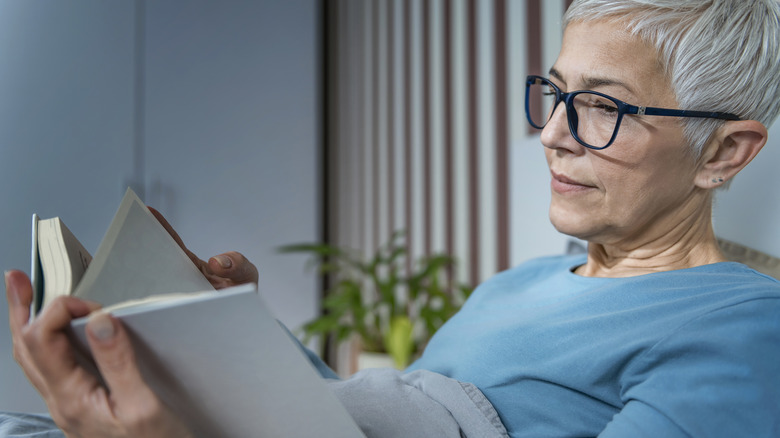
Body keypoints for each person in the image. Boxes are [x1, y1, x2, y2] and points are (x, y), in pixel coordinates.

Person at [4, 0, 780, 436]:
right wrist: (226, 324)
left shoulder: (743, 329)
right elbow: (349, 418)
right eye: (556, 94)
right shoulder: (516, 286)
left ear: (726, 153)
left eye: (602, 108)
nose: (549, 134)